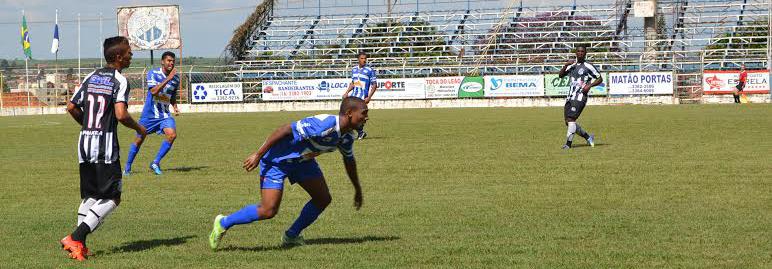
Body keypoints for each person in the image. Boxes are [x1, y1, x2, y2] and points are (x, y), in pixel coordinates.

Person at [208, 97, 368, 250]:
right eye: (364, 113)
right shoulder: (324, 124)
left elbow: (349, 161)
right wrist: (258, 154)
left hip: (303, 163)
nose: (366, 117)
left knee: (323, 199)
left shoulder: (347, 138)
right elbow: (284, 129)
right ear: (349, 113)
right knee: (268, 210)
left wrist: (358, 189)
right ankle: (223, 222)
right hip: (277, 161)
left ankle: (291, 235)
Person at [60, 36, 147, 261]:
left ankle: (79, 246)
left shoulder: (91, 76)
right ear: (118, 57)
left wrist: (90, 126)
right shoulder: (120, 80)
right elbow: (121, 114)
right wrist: (139, 128)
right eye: (128, 52)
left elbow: (71, 107)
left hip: (84, 144)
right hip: (105, 147)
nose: (131, 55)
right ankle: (75, 237)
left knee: (91, 195)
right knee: (113, 197)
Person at [124, 51, 181, 175]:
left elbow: (171, 95)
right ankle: (127, 167)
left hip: (164, 115)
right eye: (168, 60)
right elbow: (154, 91)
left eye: (173, 61)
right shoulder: (153, 74)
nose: (171, 63)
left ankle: (155, 162)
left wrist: (175, 106)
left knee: (172, 135)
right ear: (162, 61)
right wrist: (168, 78)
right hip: (149, 115)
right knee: (139, 140)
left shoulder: (176, 78)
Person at [558, 44, 602, 149]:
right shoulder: (572, 65)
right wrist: (565, 65)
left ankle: (568, 145)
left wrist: (589, 86)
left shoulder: (588, 66)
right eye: (579, 51)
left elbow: (600, 78)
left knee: (571, 119)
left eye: (582, 51)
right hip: (570, 96)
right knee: (568, 122)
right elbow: (560, 75)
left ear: (585, 53)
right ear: (576, 53)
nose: (580, 53)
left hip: (580, 96)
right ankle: (588, 137)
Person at [342, 51, 377, 139]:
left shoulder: (369, 70)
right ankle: (360, 132)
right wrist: (346, 92)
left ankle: (359, 129)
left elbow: (374, 84)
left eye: (365, 58)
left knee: (354, 117)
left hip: (362, 98)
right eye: (362, 58)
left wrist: (369, 97)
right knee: (349, 116)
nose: (364, 60)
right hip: (353, 96)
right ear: (358, 59)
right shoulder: (354, 69)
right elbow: (353, 83)